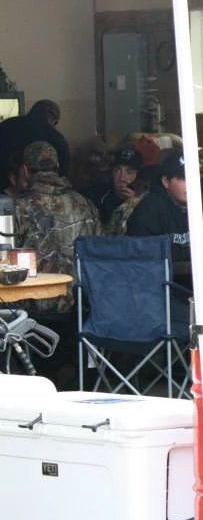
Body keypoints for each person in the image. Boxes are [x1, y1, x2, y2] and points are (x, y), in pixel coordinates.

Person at [14, 140, 100, 386]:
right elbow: (101, 251)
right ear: (58, 167)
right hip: (80, 306)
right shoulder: (85, 204)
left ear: (25, 171)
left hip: (32, 311)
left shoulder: (19, 207)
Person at [126, 152, 191, 260]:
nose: (191, 183)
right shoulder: (149, 209)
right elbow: (142, 253)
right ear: (165, 181)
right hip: (163, 276)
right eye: (183, 178)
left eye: (197, 177)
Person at [0, 99, 71, 184]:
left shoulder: (6, 125)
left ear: (30, 111)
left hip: (5, 187)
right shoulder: (58, 138)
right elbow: (63, 173)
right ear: (54, 122)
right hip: (43, 191)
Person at [84, 147, 144, 224]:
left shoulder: (146, 201)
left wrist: (133, 204)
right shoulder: (99, 196)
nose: (122, 178)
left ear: (138, 175)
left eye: (129, 172)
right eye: (117, 170)